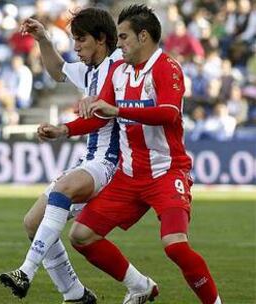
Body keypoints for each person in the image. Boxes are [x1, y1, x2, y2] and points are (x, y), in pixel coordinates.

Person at [39, 5, 222, 304]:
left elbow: (169, 113)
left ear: (143, 36)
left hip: (166, 173)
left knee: (175, 246)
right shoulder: (119, 72)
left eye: (123, 37)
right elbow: (100, 116)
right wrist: (64, 130)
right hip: (128, 176)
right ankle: (139, 286)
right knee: (81, 235)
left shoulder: (167, 67)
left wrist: (119, 110)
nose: (119, 43)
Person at [0, 8, 154, 304]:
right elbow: (58, 71)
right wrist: (43, 39)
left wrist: (71, 124)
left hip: (111, 162)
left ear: (101, 39)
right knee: (32, 223)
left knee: (65, 190)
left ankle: (26, 271)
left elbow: (109, 110)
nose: (76, 47)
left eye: (81, 39)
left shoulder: (119, 67)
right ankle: (76, 294)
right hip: (88, 160)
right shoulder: (91, 71)